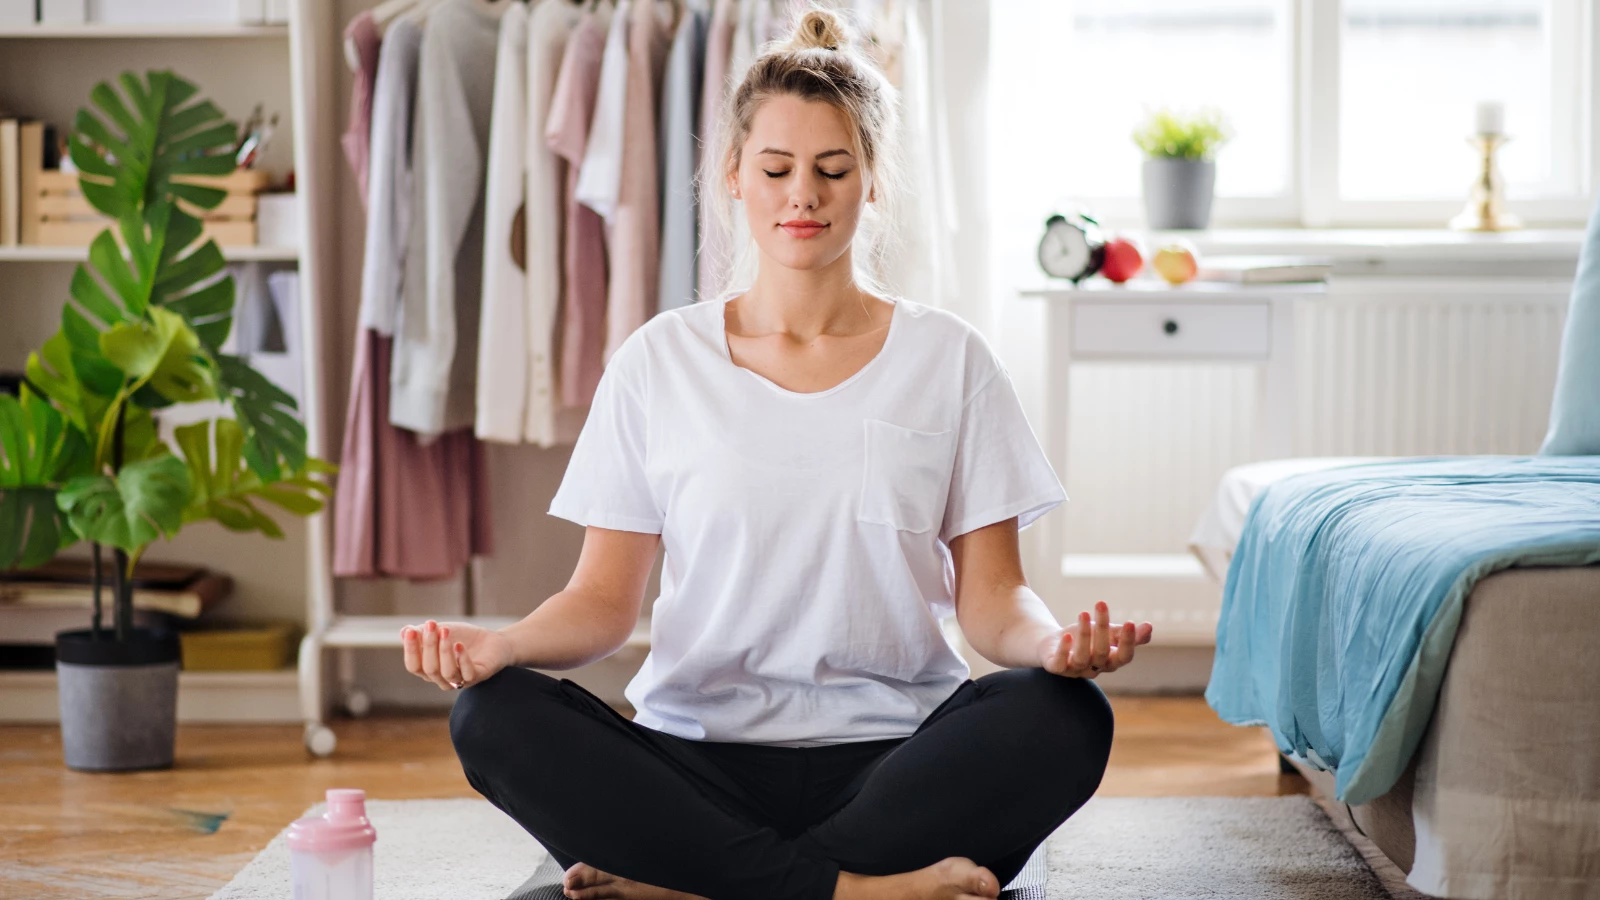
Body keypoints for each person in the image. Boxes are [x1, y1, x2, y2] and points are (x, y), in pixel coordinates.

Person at [400, 8, 1153, 900]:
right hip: (696, 758)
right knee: (493, 714)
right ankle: (858, 892)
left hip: (894, 758)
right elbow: (603, 602)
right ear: (733, 176)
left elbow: (993, 601)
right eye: (777, 169)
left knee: (1064, 716)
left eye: (833, 170)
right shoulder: (657, 361)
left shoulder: (950, 359)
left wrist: (1054, 645)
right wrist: (504, 645)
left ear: (870, 181)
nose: (804, 194)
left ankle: (695, 882)